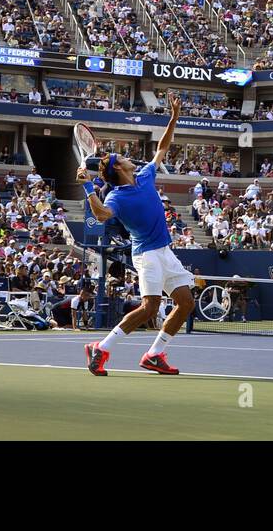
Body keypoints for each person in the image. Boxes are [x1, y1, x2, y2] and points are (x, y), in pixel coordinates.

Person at [83, 94, 196, 375]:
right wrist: (87, 187)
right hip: (146, 255)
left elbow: (162, 148)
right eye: (123, 157)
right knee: (149, 307)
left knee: (186, 303)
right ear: (119, 168)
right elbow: (101, 216)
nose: (128, 157)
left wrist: (174, 117)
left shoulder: (145, 174)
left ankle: (154, 354)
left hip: (165, 252)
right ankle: (101, 348)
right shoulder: (116, 197)